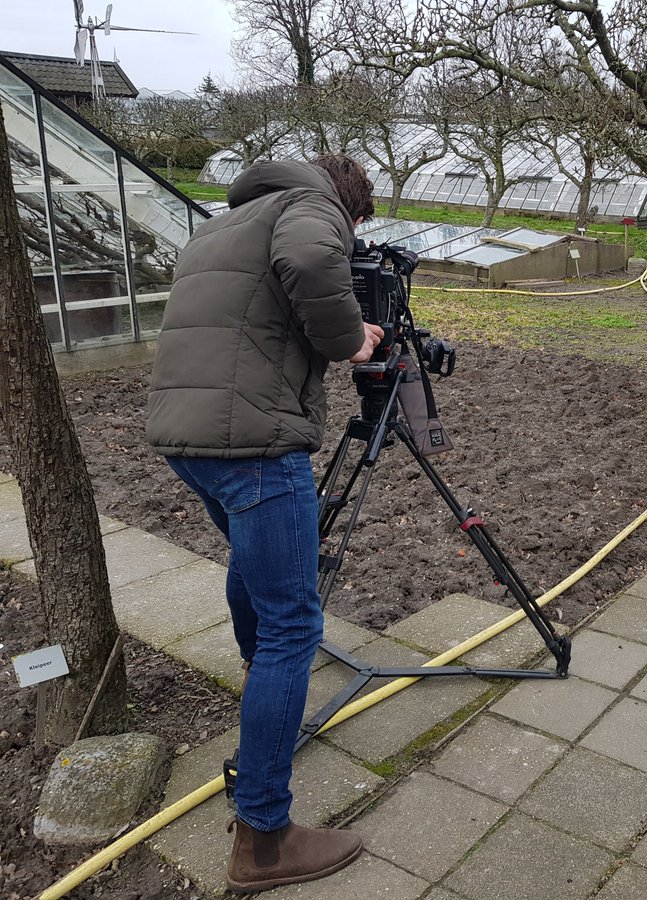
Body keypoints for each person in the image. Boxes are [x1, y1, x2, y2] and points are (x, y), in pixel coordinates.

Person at [146, 155, 384, 893]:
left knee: (252, 574)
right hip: (254, 441)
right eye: (357, 228)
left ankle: (265, 711)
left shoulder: (225, 223)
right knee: (293, 625)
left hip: (189, 437)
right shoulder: (310, 211)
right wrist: (353, 341)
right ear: (348, 204)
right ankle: (264, 837)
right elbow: (314, 259)